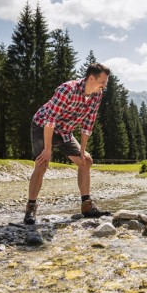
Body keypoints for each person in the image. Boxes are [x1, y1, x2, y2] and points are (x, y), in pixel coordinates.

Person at [23, 63, 111, 225]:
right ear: (91, 78)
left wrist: (82, 150)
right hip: (43, 125)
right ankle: (31, 208)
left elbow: (88, 124)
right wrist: (48, 149)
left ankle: (86, 206)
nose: (105, 86)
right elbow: (50, 120)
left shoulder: (97, 95)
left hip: (65, 131)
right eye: (103, 82)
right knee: (42, 164)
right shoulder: (67, 89)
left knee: (86, 161)